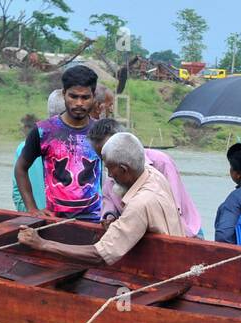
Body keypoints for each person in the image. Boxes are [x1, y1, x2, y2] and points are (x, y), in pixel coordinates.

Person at [17, 132, 185, 266]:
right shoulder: (154, 175)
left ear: (124, 169)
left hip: (165, 268)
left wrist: (43, 244)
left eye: (110, 169)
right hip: (179, 257)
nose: (110, 176)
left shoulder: (140, 204)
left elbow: (100, 255)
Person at [87, 118, 202, 237]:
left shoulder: (161, 163)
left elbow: (173, 210)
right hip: (140, 236)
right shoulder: (111, 177)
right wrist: (109, 217)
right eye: (103, 158)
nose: (108, 166)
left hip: (183, 232)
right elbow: (108, 204)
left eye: (111, 154)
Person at [14, 65, 102, 220]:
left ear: (93, 96)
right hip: (54, 220)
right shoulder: (43, 131)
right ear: (64, 94)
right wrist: (32, 209)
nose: (79, 103)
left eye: (85, 97)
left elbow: (117, 175)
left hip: (94, 220)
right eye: (73, 96)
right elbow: (21, 168)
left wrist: (112, 212)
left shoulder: (101, 132)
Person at [11, 107, 53, 212]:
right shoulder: (78, 147)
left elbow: (17, 194)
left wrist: (31, 213)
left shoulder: (21, 148)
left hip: (35, 219)